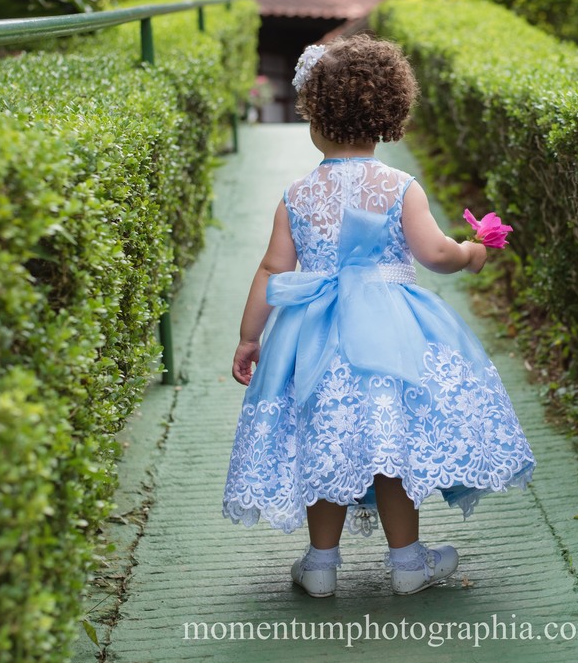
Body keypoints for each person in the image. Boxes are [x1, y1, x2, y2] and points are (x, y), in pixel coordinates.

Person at [221, 35, 535, 598]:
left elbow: (272, 269)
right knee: (390, 446)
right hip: (388, 335)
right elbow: (436, 254)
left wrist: (250, 337)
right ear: (387, 115)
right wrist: (473, 252)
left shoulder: (297, 194)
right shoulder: (397, 186)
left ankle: (320, 566)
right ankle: (408, 561)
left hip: (311, 334)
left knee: (325, 439)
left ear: (314, 117)